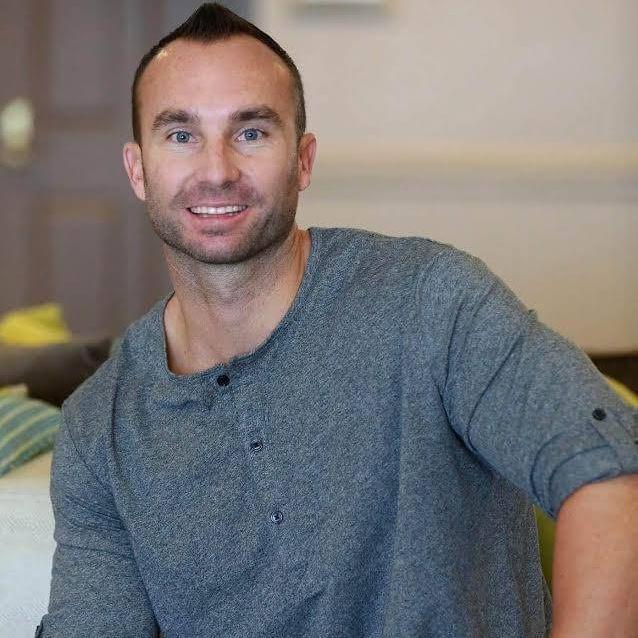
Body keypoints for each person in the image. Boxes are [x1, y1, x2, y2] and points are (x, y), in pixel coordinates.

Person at [36, 3, 638, 637]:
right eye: (181, 135)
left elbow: (613, 475)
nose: (216, 170)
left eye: (251, 133)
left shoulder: (432, 300)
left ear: (303, 160)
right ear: (138, 170)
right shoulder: (98, 429)